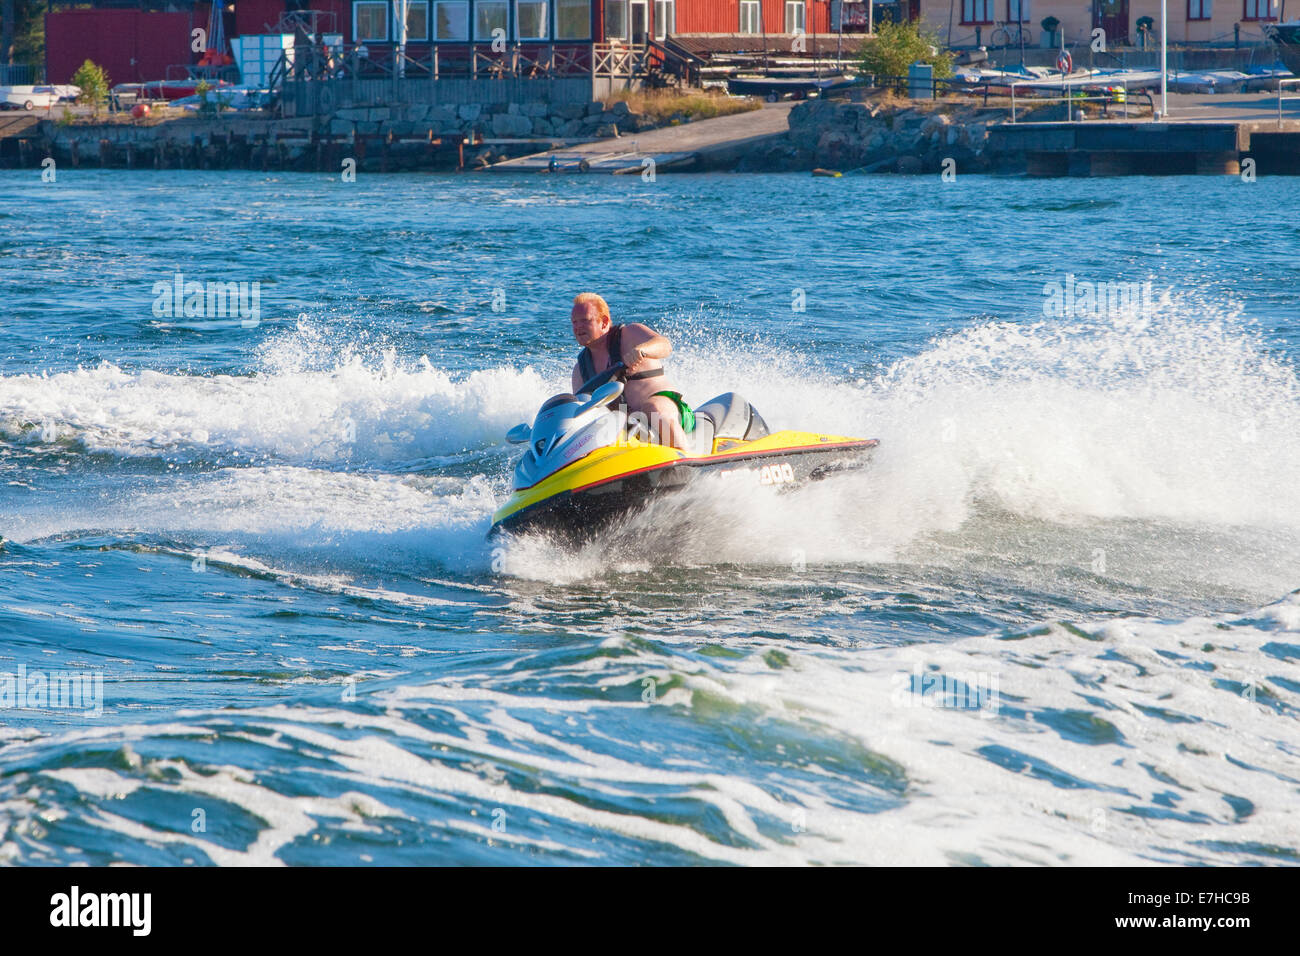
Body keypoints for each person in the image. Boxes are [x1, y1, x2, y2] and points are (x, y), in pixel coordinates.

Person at [569, 292, 693, 451]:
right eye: (574, 322)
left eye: (585, 320)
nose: (578, 327)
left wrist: (642, 350)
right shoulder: (580, 370)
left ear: (604, 322)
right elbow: (583, 413)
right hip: (630, 430)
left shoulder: (630, 334)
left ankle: (686, 461)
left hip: (670, 411)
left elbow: (665, 346)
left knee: (653, 408)